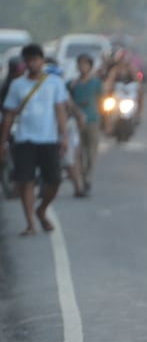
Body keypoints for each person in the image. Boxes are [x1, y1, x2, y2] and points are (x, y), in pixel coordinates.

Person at [0, 43, 71, 236]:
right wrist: (3, 143)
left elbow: (60, 111)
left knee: (54, 181)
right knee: (26, 182)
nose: (33, 64)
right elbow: (9, 116)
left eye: (36, 60)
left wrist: (64, 137)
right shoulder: (17, 85)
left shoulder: (54, 83)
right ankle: (30, 223)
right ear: (25, 62)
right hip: (25, 140)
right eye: (29, 60)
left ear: (42, 60)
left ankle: (42, 209)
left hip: (48, 139)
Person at [68, 53, 103, 196]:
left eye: (85, 64)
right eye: (80, 64)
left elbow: (102, 102)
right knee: (78, 153)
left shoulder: (96, 83)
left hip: (93, 121)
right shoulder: (72, 84)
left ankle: (88, 177)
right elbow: (67, 101)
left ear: (90, 66)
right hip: (76, 123)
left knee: (91, 153)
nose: (83, 67)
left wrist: (106, 122)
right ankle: (81, 178)